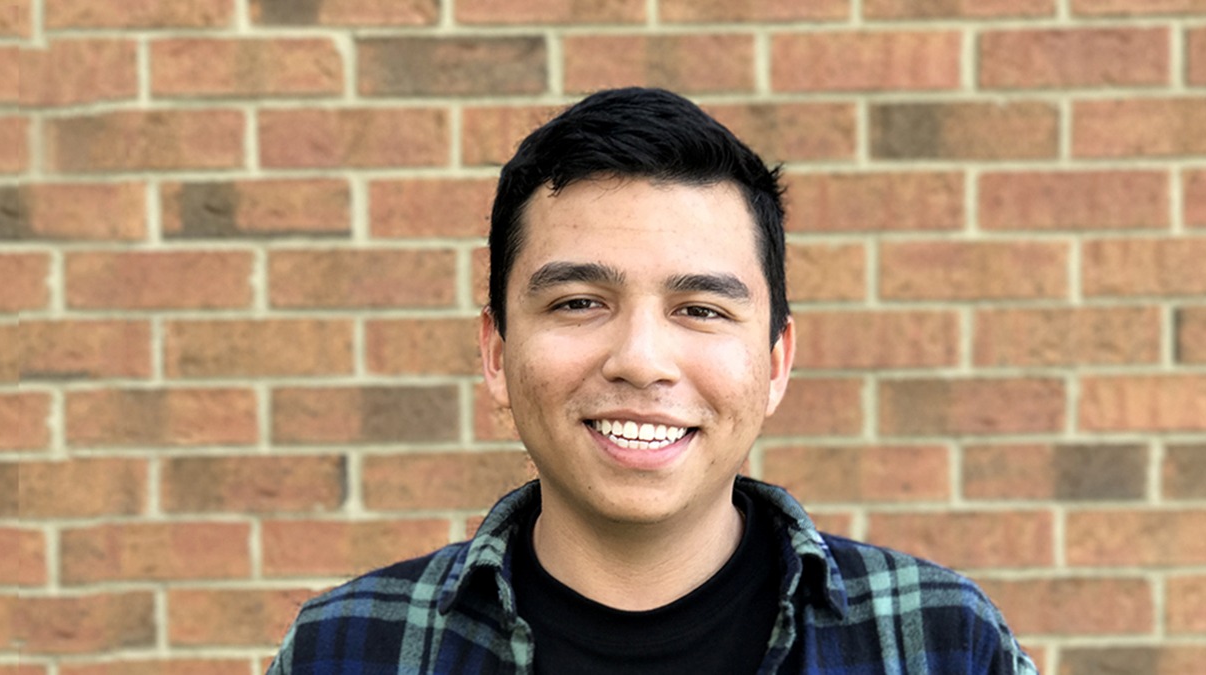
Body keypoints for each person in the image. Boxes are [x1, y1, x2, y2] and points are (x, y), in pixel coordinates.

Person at [265, 87, 1038, 674]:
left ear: (775, 361)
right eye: (579, 302)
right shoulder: (350, 648)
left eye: (699, 308)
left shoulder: (940, 643)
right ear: (497, 354)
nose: (640, 358)